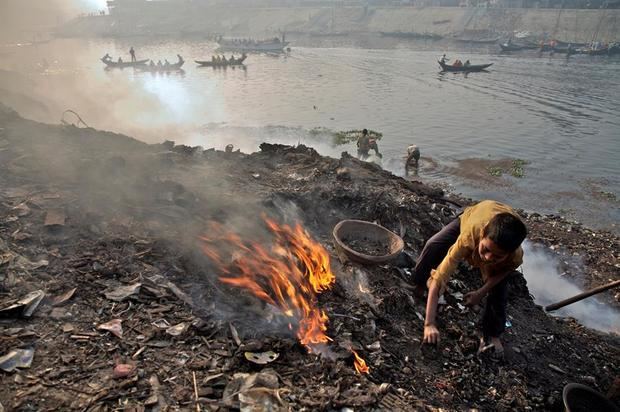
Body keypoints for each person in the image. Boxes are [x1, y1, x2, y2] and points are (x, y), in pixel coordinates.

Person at [412, 200, 527, 356]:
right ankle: (418, 283)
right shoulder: (469, 235)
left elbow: (504, 272)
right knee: (433, 244)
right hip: (475, 215)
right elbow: (440, 278)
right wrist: (429, 324)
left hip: (504, 222)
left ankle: (493, 334)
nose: (487, 258)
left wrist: (480, 293)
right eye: (485, 249)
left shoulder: (514, 256)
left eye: (497, 256)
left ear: (509, 253)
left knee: (500, 289)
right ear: (483, 234)